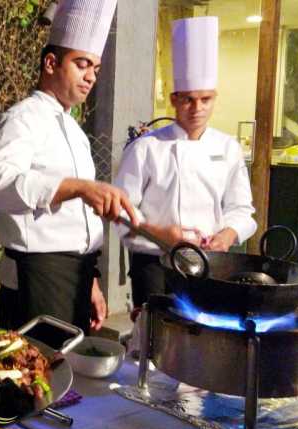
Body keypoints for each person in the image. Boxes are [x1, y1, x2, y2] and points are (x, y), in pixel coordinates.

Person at [0, 0, 137, 347]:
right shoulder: (21, 119)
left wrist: (92, 282)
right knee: (38, 382)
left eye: (95, 68)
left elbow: (74, 224)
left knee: (69, 382)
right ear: (51, 63)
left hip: (77, 275)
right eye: (82, 64)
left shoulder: (73, 130)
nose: (91, 77)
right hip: (37, 278)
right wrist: (78, 187)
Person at [113, 16, 257, 309]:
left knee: (202, 335)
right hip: (153, 263)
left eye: (205, 99)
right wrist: (163, 235)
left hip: (209, 262)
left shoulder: (228, 148)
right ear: (174, 99)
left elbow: (242, 210)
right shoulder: (146, 148)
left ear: (215, 98)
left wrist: (227, 235)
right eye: (189, 100)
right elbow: (121, 213)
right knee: (156, 337)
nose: (197, 108)